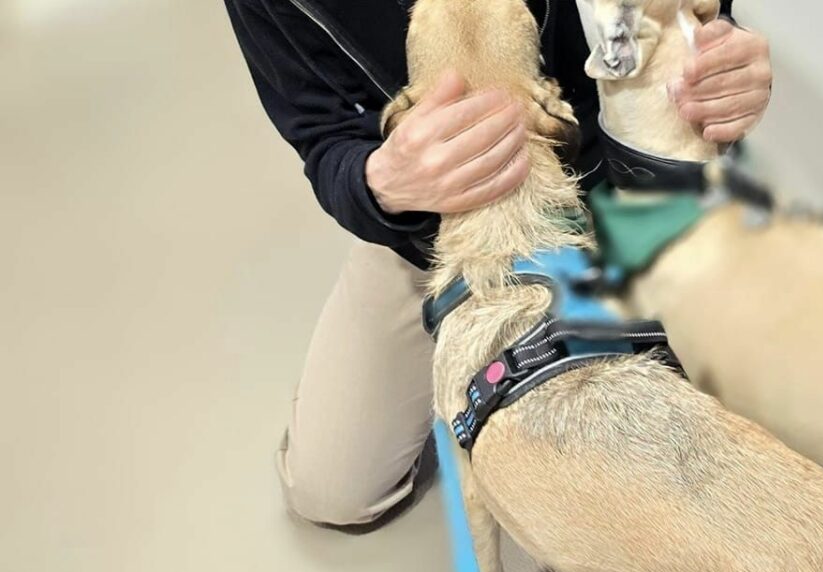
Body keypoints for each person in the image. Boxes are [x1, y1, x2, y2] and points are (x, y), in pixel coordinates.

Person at [224, 0, 774, 527]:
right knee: (332, 491)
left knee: (744, 431)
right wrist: (381, 183)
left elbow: (687, 19)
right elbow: (320, 137)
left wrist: (719, 52)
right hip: (440, 234)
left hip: (614, 181)